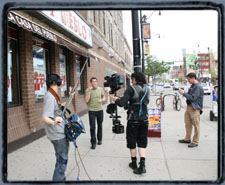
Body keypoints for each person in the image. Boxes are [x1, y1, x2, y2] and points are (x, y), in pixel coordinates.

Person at [113, 72, 150, 175]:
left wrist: (116, 100)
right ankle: (142, 165)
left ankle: (134, 163)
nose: (131, 80)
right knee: (142, 141)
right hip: (144, 118)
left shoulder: (131, 88)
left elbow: (121, 104)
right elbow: (144, 101)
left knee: (132, 140)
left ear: (135, 79)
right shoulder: (147, 88)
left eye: (132, 78)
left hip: (133, 119)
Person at [42, 73, 74, 181]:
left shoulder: (54, 95)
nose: (61, 81)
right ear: (55, 82)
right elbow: (45, 117)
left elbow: (61, 107)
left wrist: (71, 96)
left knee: (60, 158)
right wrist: (54, 122)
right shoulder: (50, 97)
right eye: (59, 80)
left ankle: (59, 177)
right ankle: (58, 179)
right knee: (62, 159)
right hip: (57, 135)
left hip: (59, 133)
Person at [178, 72, 204, 148]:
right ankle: (187, 138)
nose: (188, 81)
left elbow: (193, 98)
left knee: (196, 125)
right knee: (188, 124)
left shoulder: (198, 87)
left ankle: (195, 141)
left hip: (195, 108)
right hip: (189, 107)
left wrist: (183, 93)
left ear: (193, 78)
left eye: (189, 79)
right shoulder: (192, 86)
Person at [85, 77, 106, 149]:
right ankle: (93, 143)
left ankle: (99, 139)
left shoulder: (100, 89)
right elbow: (86, 100)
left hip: (100, 110)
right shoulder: (88, 90)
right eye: (93, 82)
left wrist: (102, 100)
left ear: (97, 82)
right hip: (91, 111)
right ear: (90, 83)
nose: (94, 83)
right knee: (92, 127)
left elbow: (104, 97)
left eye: (95, 81)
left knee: (100, 125)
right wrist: (89, 92)